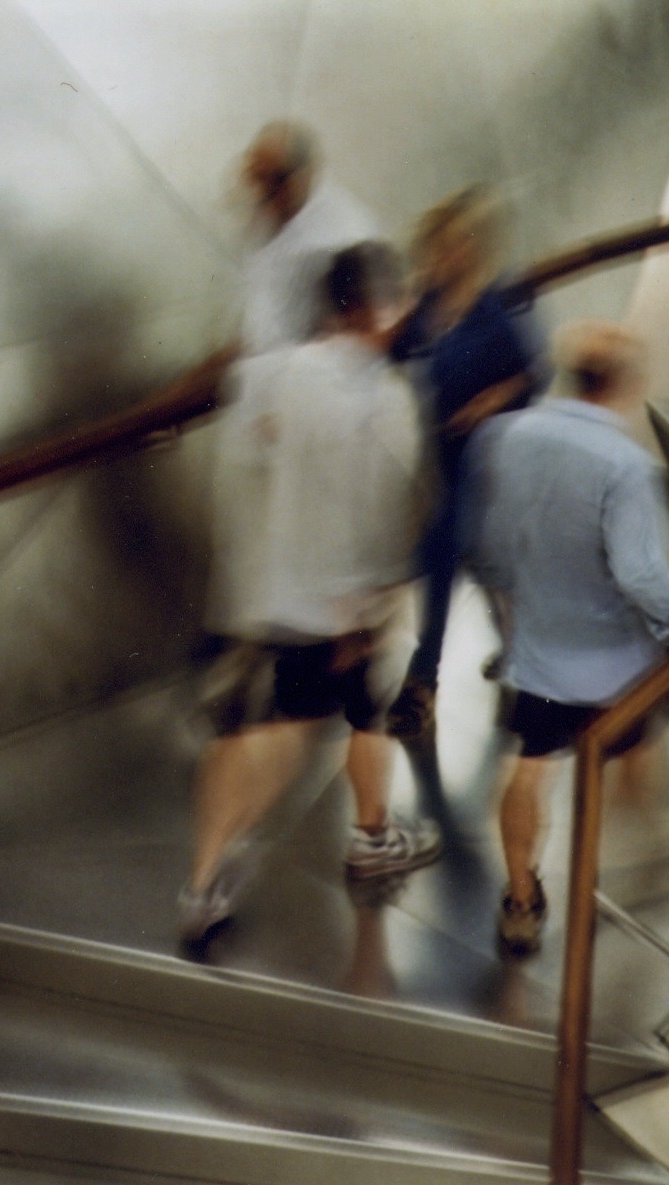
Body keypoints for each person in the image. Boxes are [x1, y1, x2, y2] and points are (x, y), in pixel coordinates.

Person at [179, 244, 442, 947]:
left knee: (321, 719)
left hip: (276, 587)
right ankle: (353, 841)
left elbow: (264, 443)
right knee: (315, 729)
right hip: (339, 603)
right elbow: (378, 510)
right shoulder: (387, 399)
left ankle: (220, 873)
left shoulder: (290, 373)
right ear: (380, 308)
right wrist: (369, 607)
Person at [470, 323, 669, 956]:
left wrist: (512, 617)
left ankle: (519, 899)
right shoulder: (626, 463)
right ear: (624, 385)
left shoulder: (508, 436)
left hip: (539, 647)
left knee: (530, 766)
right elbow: (638, 573)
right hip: (614, 661)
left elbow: (490, 543)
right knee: (637, 746)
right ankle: (640, 852)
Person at [386, 187, 549, 740]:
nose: (442, 257)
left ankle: (421, 682)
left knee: (445, 554)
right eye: (436, 248)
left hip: (490, 461)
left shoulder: (492, 306)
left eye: (452, 247)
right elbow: (395, 348)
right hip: (446, 458)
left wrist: (489, 403)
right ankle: (515, 652)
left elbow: (534, 371)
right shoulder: (428, 308)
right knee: (476, 558)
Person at [238, 121, 380, 354]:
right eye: (254, 178)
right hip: (264, 352)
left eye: (271, 182)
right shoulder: (275, 206)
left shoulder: (340, 236)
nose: (259, 193)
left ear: (305, 175)